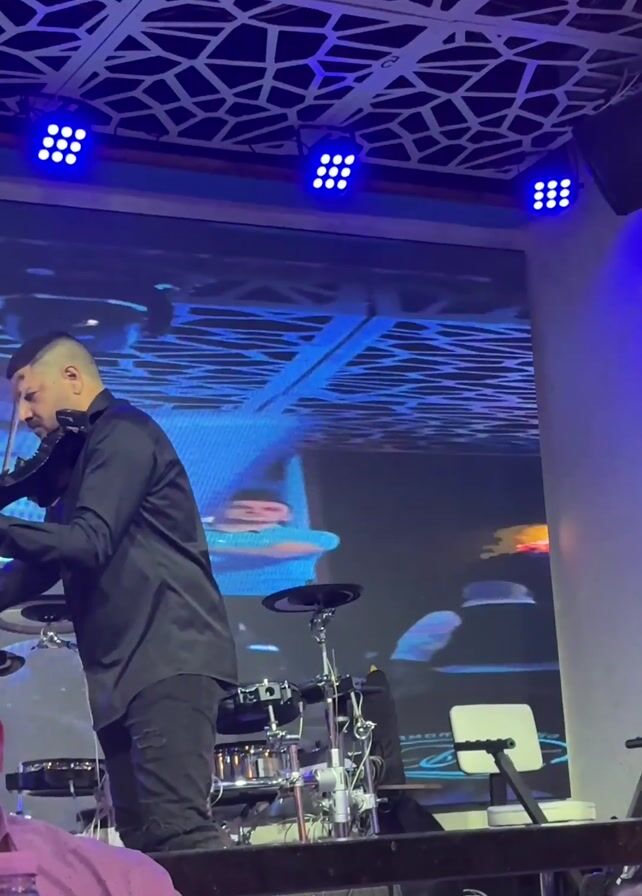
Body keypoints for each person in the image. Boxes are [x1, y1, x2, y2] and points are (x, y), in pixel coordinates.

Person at [0, 332, 238, 854]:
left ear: (72, 377)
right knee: (144, 845)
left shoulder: (123, 434)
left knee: (179, 833)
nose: (24, 414)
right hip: (120, 672)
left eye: (30, 396)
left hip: (166, 657)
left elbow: (88, 543)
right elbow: (41, 566)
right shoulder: (80, 457)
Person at [203, 488, 340, 596]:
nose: (255, 512)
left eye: (271, 509)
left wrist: (203, 542)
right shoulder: (197, 532)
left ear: (288, 516)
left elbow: (276, 548)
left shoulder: (313, 537)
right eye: (241, 507)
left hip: (278, 607)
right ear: (221, 509)